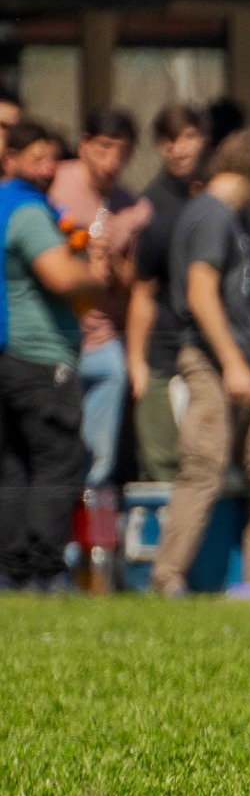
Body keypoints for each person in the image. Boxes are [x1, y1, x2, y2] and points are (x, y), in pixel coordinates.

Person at [150, 129, 250, 600]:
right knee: (204, 467)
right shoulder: (210, 213)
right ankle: (167, 576)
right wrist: (231, 361)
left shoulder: (234, 218)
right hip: (214, 359)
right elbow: (199, 291)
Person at [0, 120, 103, 589]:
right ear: (10, 159)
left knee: (14, 466)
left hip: (8, 357)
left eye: (51, 159)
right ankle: (44, 568)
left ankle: (12, 569)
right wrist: (95, 270)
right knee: (56, 462)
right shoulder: (26, 209)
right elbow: (61, 277)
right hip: (40, 357)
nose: (45, 169)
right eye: (35, 157)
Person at [48, 107, 147, 487]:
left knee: (99, 460)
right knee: (55, 452)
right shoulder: (54, 182)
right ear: (85, 144)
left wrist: (113, 261)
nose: (113, 161)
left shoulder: (134, 207)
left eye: (123, 151)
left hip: (104, 342)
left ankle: (89, 541)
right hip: (56, 339)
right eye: (104, 148)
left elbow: (135, 288)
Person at [126, 103, 211, 481]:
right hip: (162, 354)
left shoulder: (218, 199)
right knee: (161, 464)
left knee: (209, 465)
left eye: (188, 137)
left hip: (213, 353)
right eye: (170, 140)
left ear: (203, 141)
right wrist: (136, 365)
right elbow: (141, 294)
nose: (180, 149)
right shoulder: (149, 207)